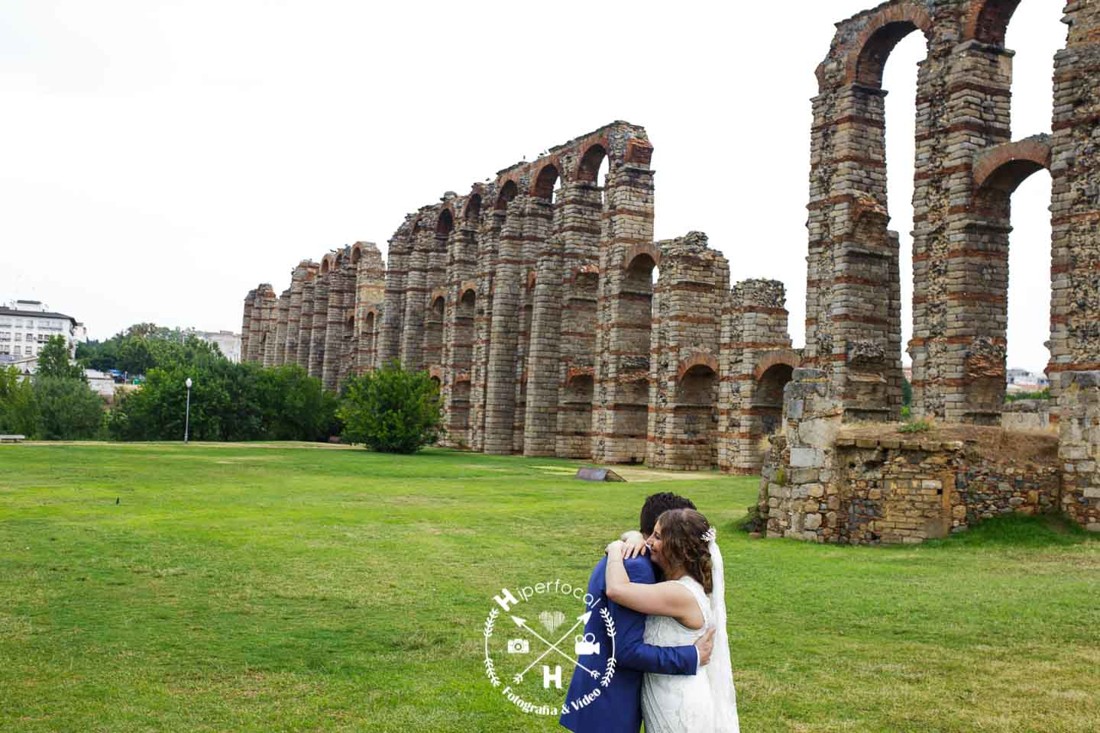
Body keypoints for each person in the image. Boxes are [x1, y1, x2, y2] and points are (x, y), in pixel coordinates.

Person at [559, 493, 716, 733]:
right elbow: (627, 649)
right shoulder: (636, 567)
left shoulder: (635, 562)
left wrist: (622, 541)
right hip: (612, 697)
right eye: (653, 533)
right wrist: (691, 656)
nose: (652, 540)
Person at [605, 508, 739, 733]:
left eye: (657, 536)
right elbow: (635, 537)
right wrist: (633, 537)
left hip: (679, 706)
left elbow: (616, 590)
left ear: (677, 547)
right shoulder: (681, 585)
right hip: (666, 695)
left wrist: (616, 550)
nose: (649, 541)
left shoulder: (680, 594)